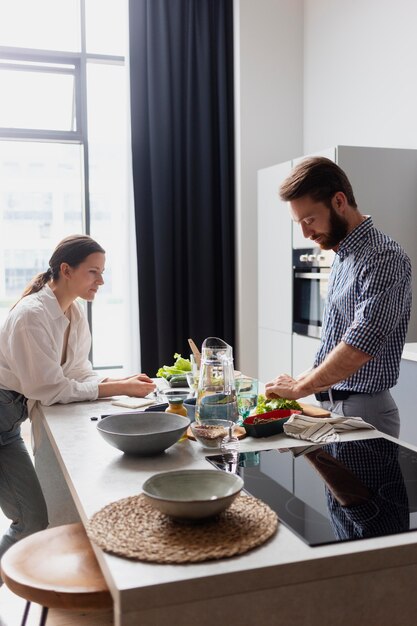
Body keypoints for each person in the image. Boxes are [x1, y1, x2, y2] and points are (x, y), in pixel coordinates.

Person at [0, 234, 156, 564]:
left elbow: (79, 372)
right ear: (66, 270)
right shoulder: (32, 316)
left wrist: (122, 380)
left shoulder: (73, 313)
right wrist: (119, 388)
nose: (101, 280)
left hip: (9, 419)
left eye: (102, 272)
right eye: (94, 272)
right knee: (30, 522)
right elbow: (50, 389)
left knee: (32, 521)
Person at [265, 157, 412, 438]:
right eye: (300, 223)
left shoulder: (383, 257)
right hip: (334, 406)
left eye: (309, 220)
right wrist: (300, 380)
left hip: (364, 411)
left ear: (339, 201)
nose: (306, 233)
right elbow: (336, 343)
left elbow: (361, 343)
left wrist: (299, 388)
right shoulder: (344, 255)